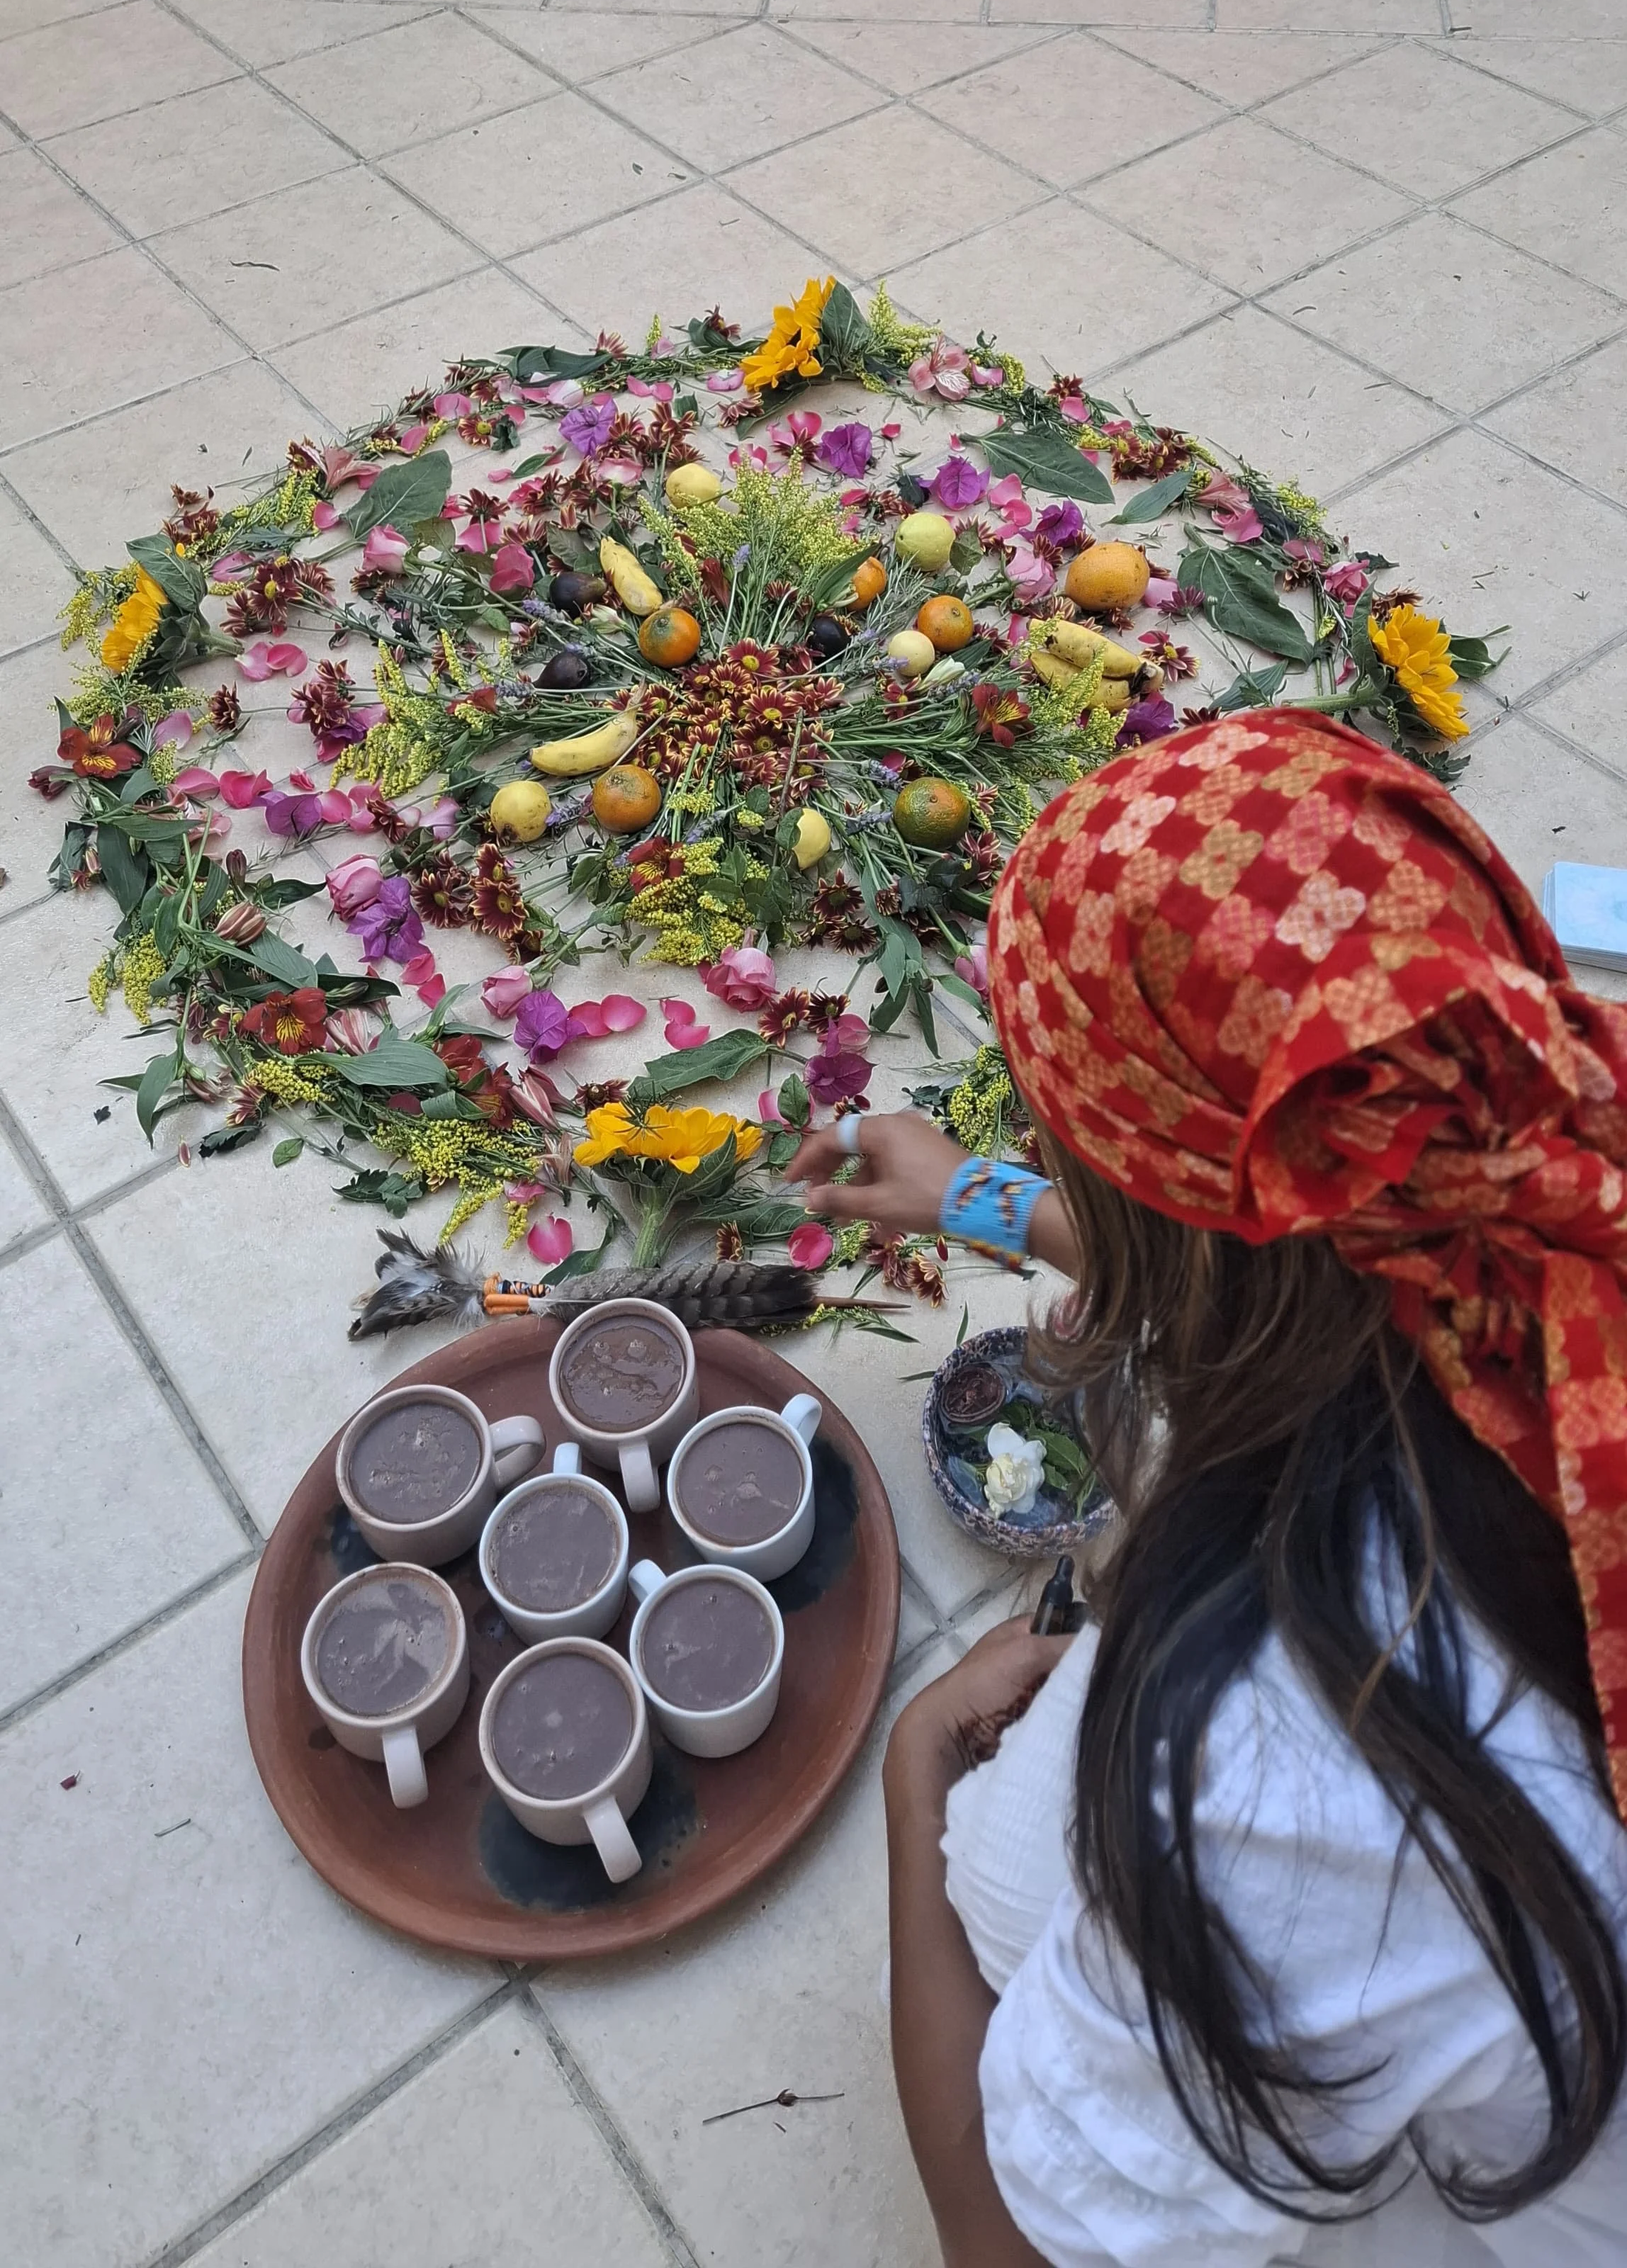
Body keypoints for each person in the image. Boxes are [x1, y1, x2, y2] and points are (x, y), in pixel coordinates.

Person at [788, 713, 1627, 2268]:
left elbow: (1006, 2250)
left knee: (1010, 1852)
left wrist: (914, 1789)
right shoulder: (1547, 1156)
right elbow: (1299, 1240)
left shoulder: (1285, 1750)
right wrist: (977, 1194)